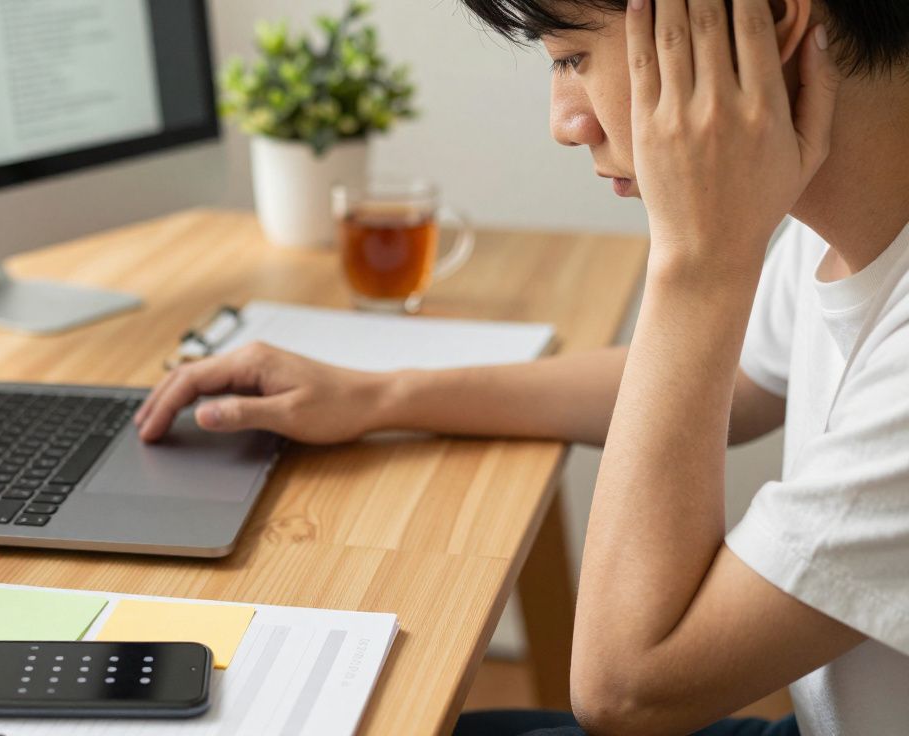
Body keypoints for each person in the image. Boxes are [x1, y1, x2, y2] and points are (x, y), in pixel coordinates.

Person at [134, 0, 909, 732]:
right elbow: (736, 383)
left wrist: (698, 263)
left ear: (763, 25)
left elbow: (628, 690)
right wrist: (379, 396)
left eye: (574, 58)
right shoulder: (838, 219)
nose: (565, 123)